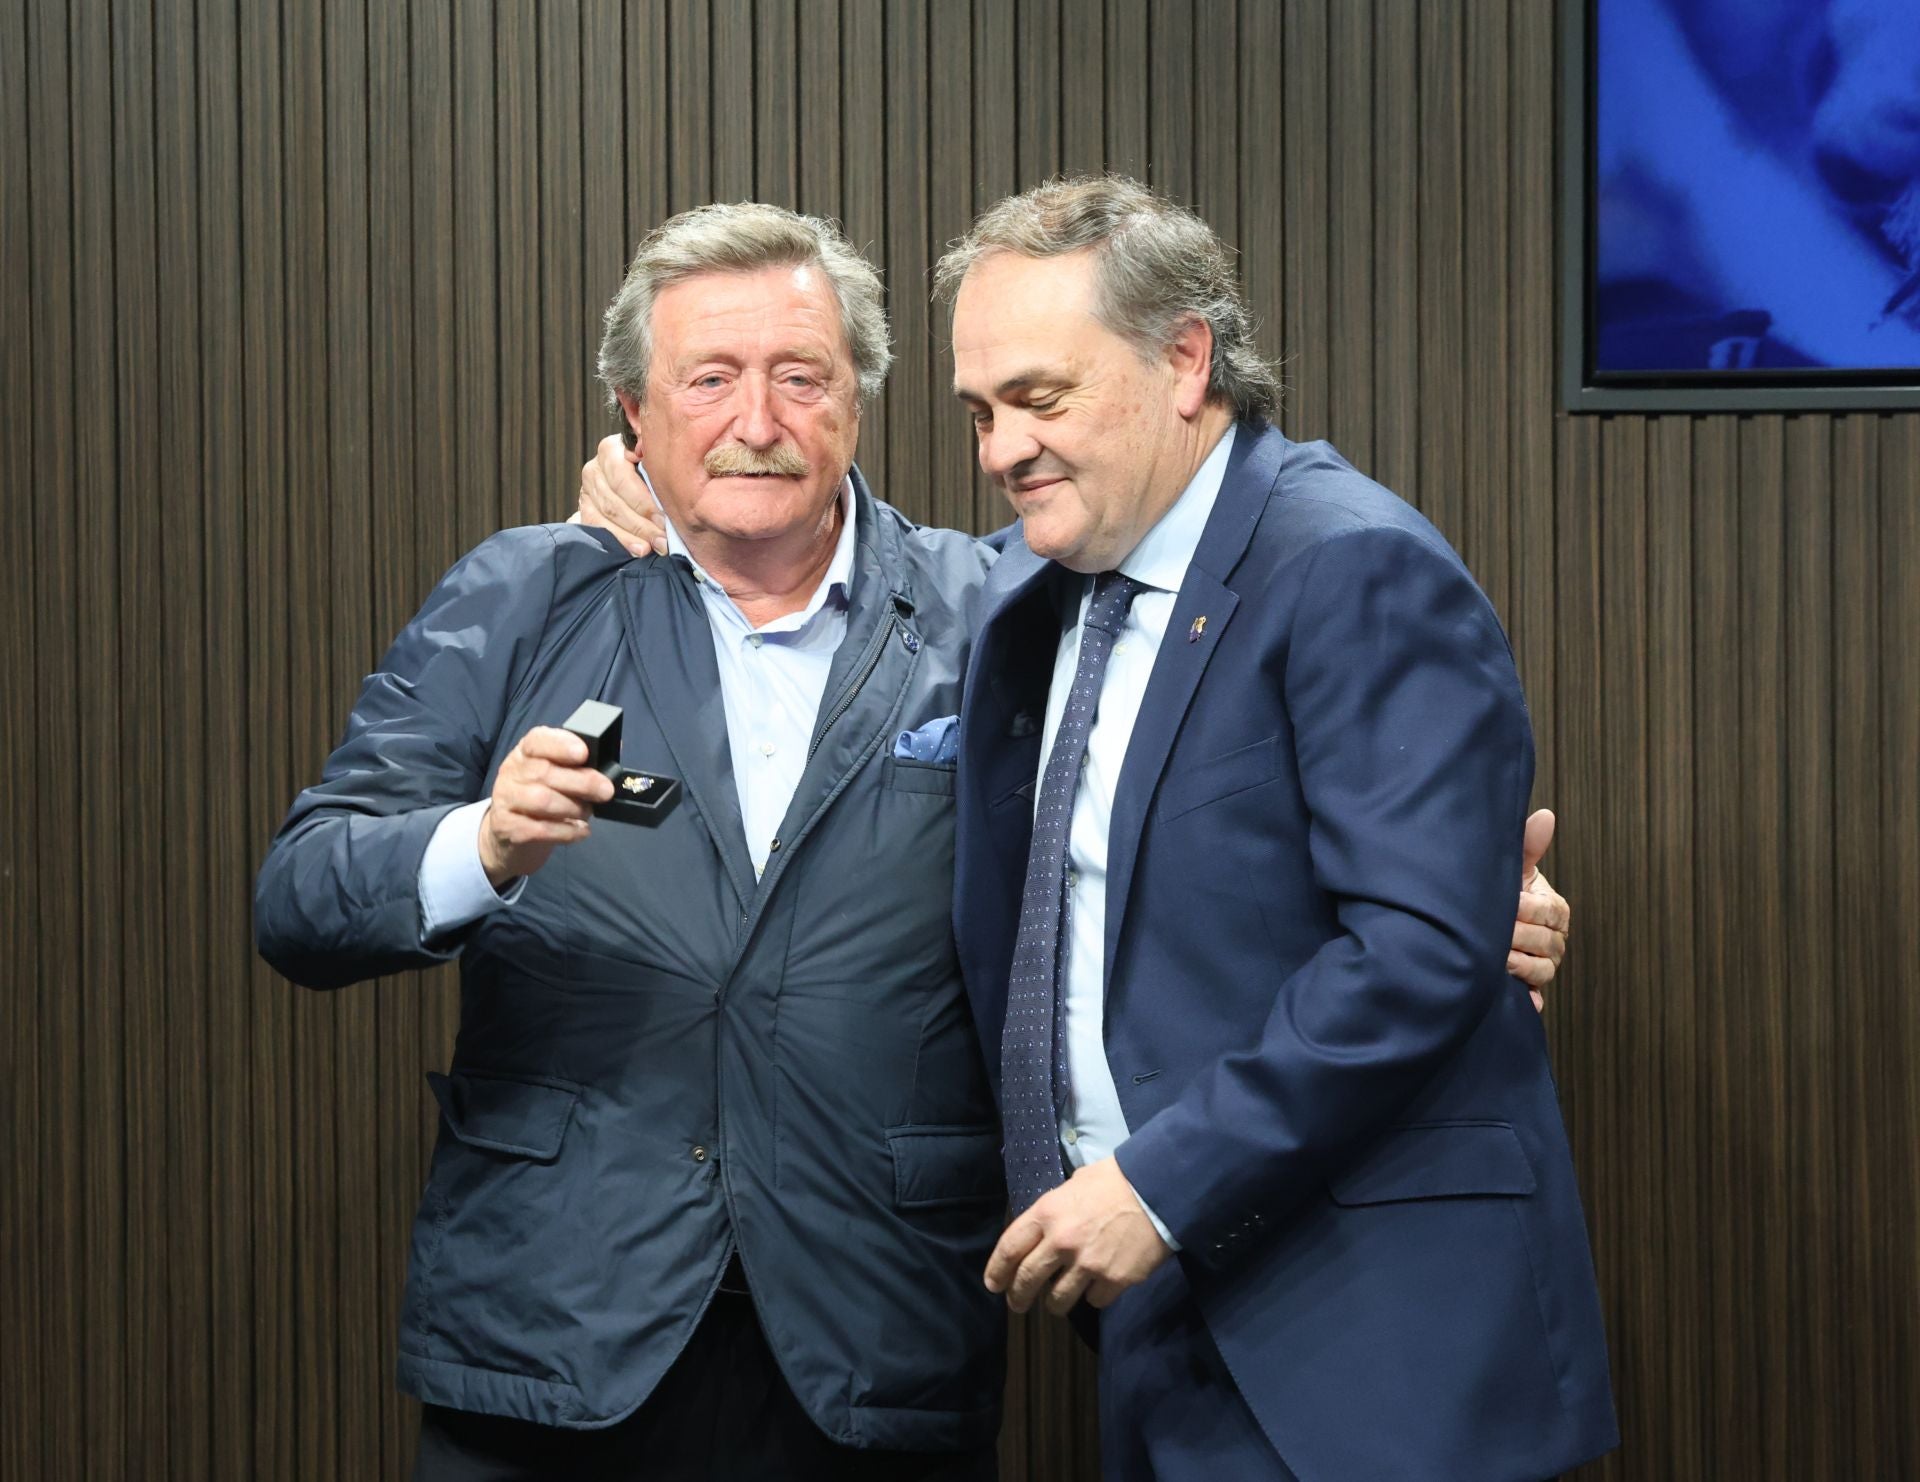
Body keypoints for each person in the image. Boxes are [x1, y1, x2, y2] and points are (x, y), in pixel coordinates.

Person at [256, 203, 1008, 1481]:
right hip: (556, 1328)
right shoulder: (524, 592)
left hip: (875, 1332)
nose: (757, 423)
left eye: (800, 378)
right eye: (708, 380)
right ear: (632, 410)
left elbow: (1167, 811)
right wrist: (479, 846)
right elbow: (302, 900)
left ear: (859, 402)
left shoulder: (988, 613)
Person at [938, 177, 1616, 1481]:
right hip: (1161, 1332)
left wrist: (1151, 1184)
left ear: (1185, 359)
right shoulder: (1040, 582)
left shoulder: (1351, 560)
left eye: (1039, 398)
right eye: (979, 413)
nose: (1000, 449)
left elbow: (1417, 951)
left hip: (1375, 1360)